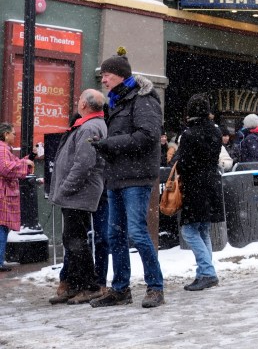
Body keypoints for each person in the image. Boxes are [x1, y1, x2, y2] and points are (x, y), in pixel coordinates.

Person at [89, 48, 166, 308]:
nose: (103, 79)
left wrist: (109, 144)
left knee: (137, 233)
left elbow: (148, 136)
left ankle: (155, 287)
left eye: (107, 74)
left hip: (137, 178)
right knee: (115, 236)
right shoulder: (117, 102)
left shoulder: (143, 100)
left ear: (120, 76)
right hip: (117, 177)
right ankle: (120, 289)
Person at [47, 89, 108, 304]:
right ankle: (74, 284)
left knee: (76, 241)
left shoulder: (90, 126)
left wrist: (64, 188)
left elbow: (83, 165)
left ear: (84, 104)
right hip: (77, 194)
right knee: (72, 239)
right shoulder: (87, 124)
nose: (77, 101)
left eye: (80, 98)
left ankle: (90, 286)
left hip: (78, 194)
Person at [172, 94, 225, 291]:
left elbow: (183, 163)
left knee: (189, 230)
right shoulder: (216, 131)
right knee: (202, 229)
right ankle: (203, 273)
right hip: (211, 183)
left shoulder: (189, 133)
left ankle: (208, 272)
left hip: (195, 186)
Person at [0, 123, 35, 272]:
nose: (15, 136)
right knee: (1, 227)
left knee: (2, 227)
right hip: (2, 192)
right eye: (13, 133)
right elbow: (5, 168)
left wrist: (30, 158)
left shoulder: (5, 149)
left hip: (5, 192)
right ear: (6, 134)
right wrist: (24, 162)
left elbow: (14, 164)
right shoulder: (2, 148)